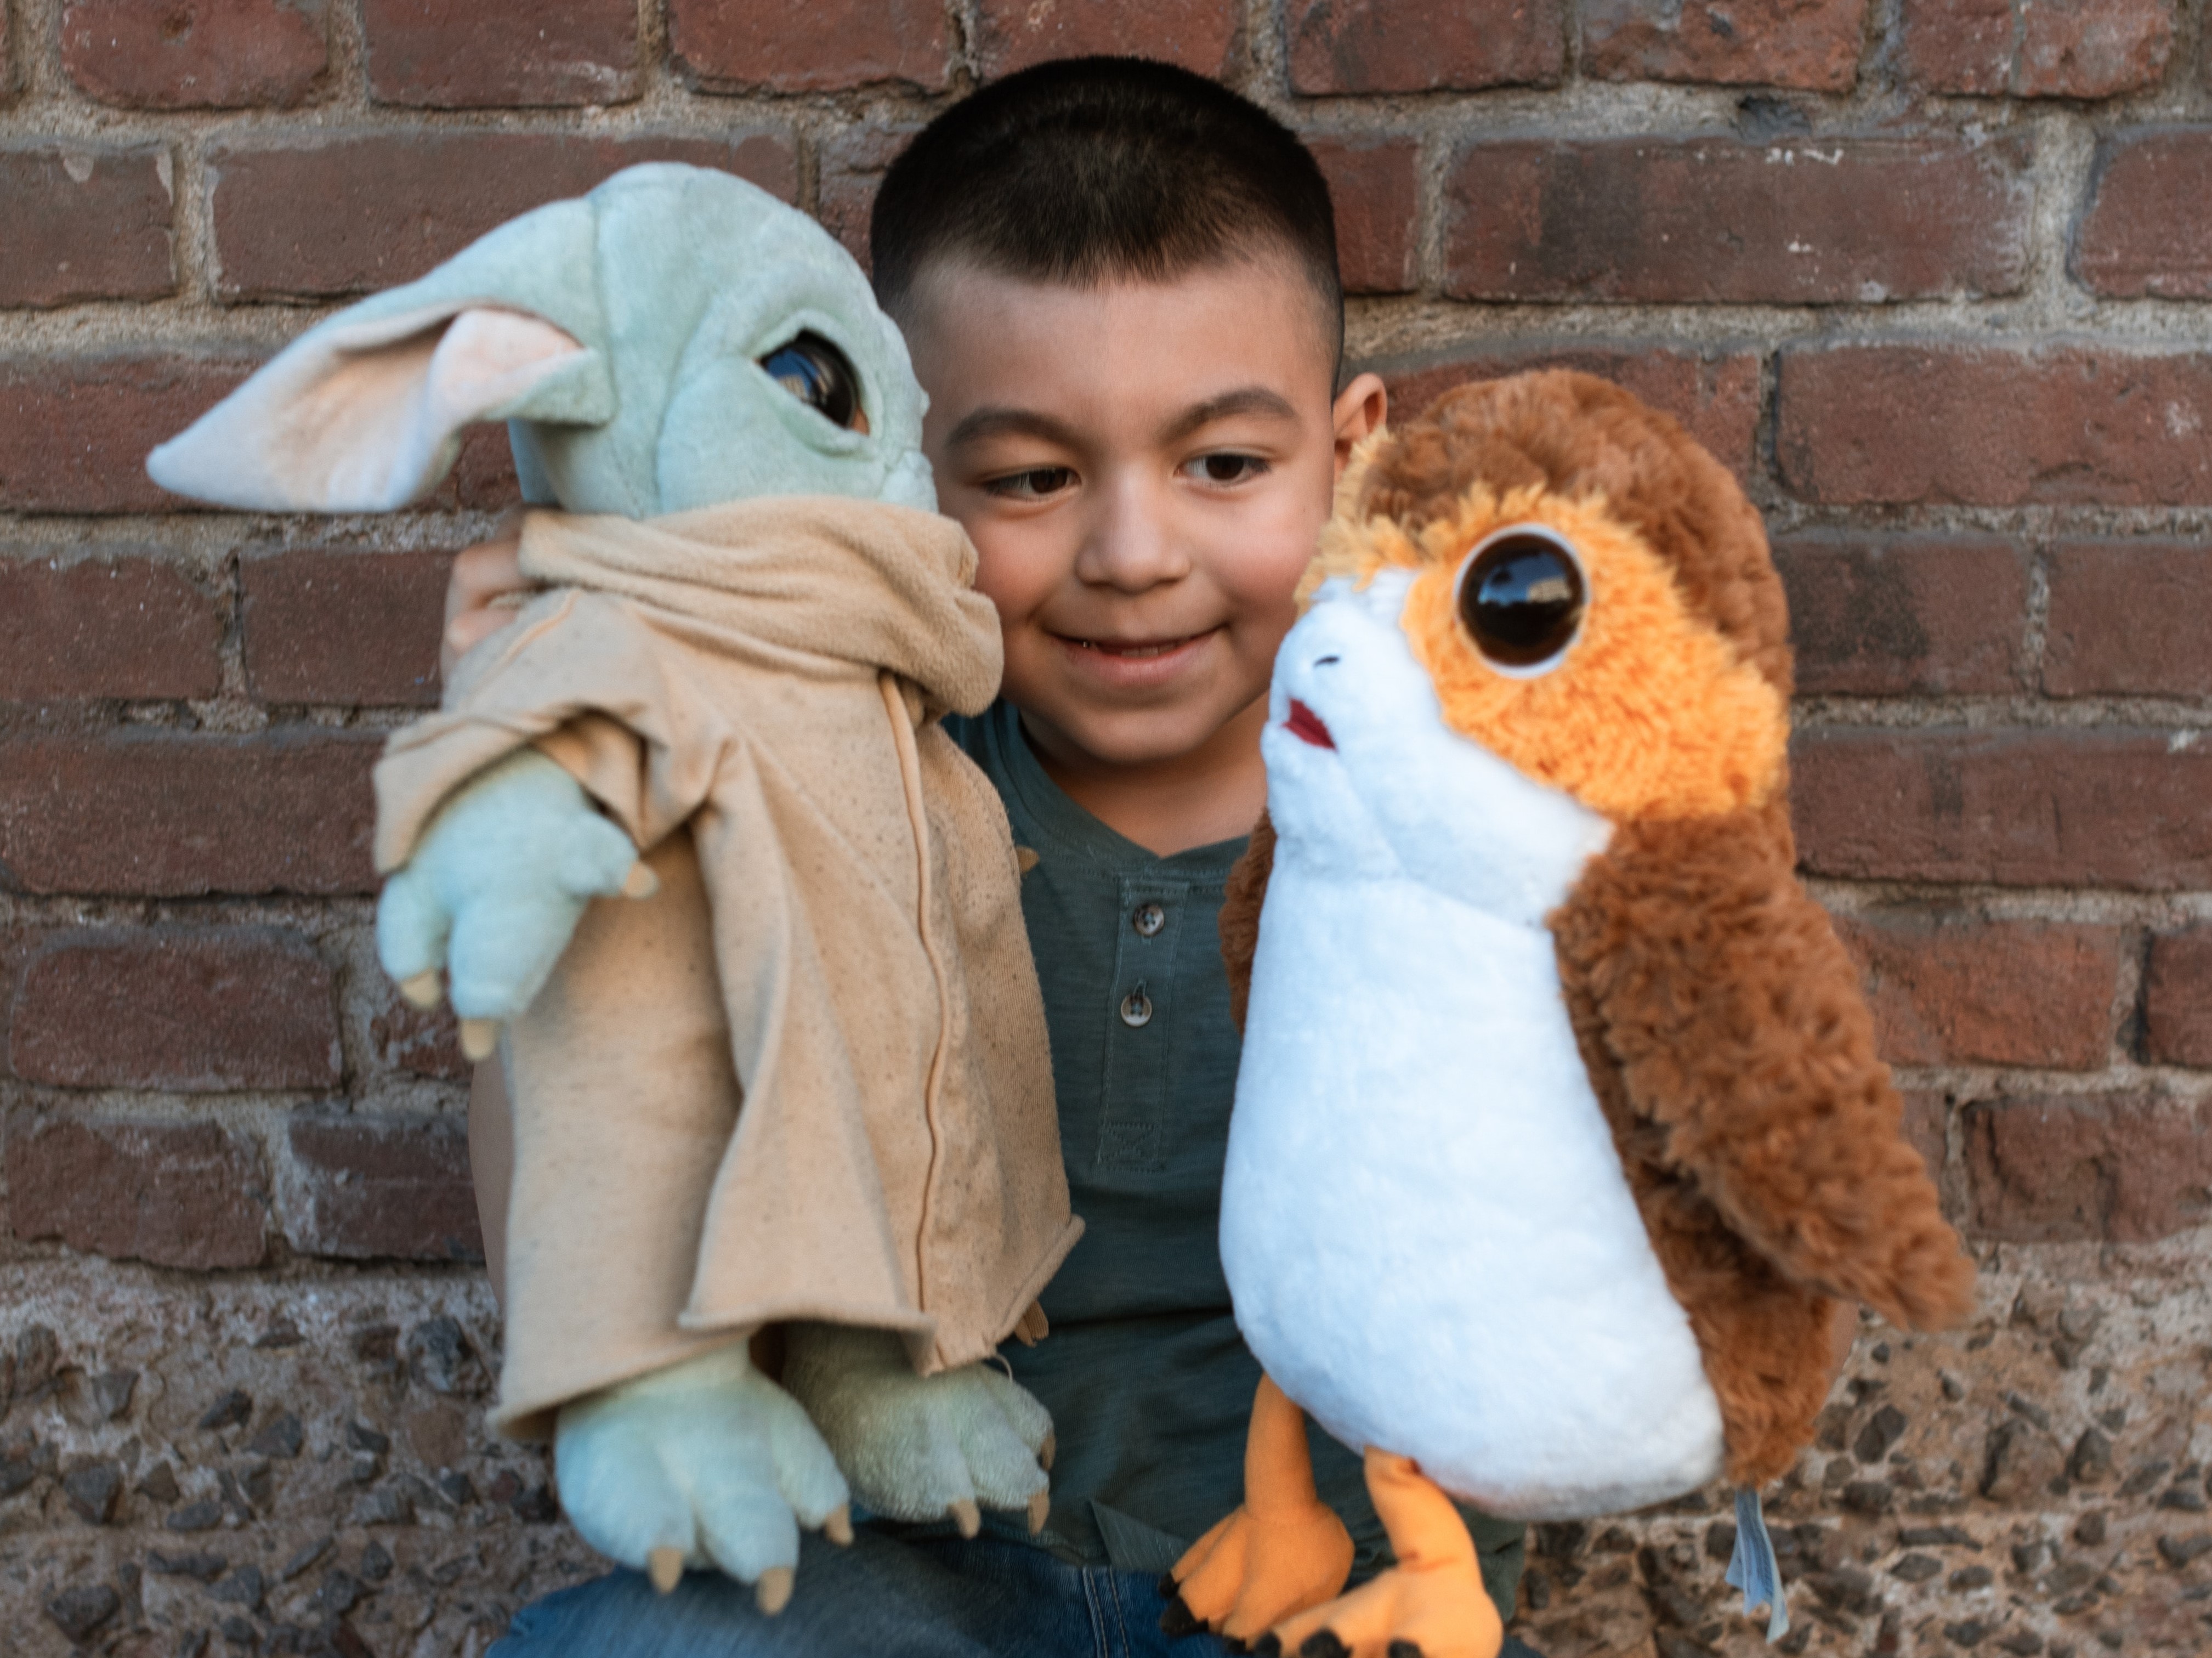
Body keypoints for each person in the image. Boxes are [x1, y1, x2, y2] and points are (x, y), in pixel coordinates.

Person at [462, 55, 1540, 1658]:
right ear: (901, 470)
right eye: (1029, 479)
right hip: (892, 1569)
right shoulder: (837, 786)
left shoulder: (1463, 811)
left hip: (1330, 1589)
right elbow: (585, 1203)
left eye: (1224, 467)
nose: (1130, 554)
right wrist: (569, 795)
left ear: (1351, 453)